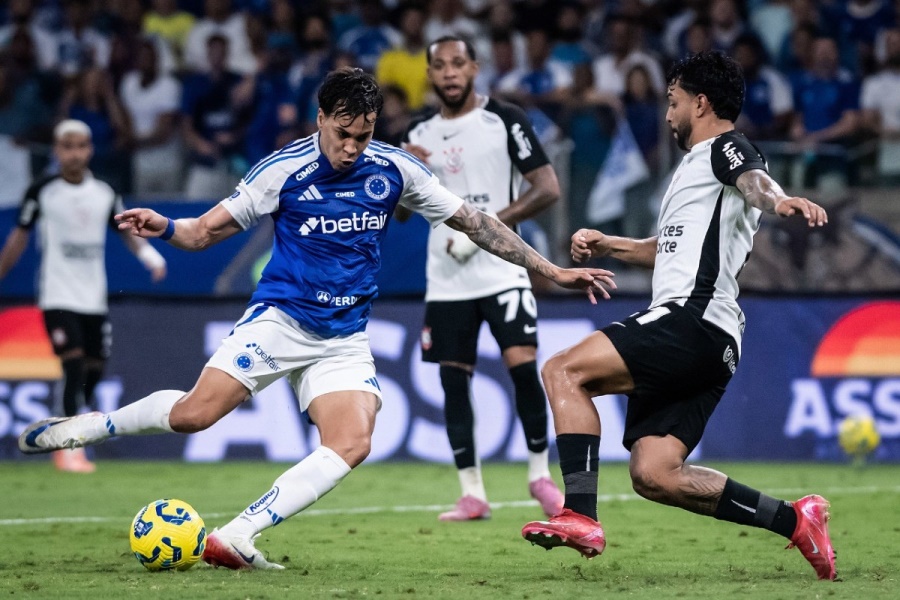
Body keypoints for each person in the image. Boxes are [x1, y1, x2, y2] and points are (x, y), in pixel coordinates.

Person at [17, 68, 614, 569]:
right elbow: (202, 233)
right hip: (280, 320)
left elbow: (476, 223)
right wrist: (167, 226)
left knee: (353, 440)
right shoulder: (282, 170)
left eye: (364, 135)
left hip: (344, 338)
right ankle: (94, 426)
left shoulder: (395, 169)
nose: (352, 147)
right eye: (343, 133)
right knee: (194, 416)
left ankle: (238, 534)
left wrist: (550, 270)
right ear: (321, 117)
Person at [520, 51, 837, 581]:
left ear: (701, 103)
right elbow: (669, 249)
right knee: (655, 474)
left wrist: (781, 202)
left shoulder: (726, 148)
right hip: (716, 339)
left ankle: (579, 514)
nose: (668, 114)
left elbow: (757, 182)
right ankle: (795, 520)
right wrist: (609, 244)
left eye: (673, 102)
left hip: (692, 318)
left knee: (562, 370)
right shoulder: (696, 171)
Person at [397, 36, 564, 522]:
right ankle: (472, 493)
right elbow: (402, 215)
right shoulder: (417, 131)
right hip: (447, 278)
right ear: (429, 74)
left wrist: (481, 230)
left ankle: (540, 476)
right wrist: (410, 174)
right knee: (454, 382)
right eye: (440, 65)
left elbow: (547, 188)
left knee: (522, 368)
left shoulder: (505, 119)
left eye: (458, 63)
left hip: (503, 268)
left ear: (474, 67)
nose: (449, 72)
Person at [0, 119, 167, 473]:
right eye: (67, 147)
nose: (74, 154)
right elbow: (20, 234)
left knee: (95, 368)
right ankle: (65, 447)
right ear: (57, 150)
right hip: (57, 294)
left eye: (80, 146)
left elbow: (126, 232)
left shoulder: (104, 193)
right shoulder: (43, 191)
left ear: (89, 150)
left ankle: (74, 433)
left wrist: (151, 257)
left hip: (93, 296)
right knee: (73, 364)